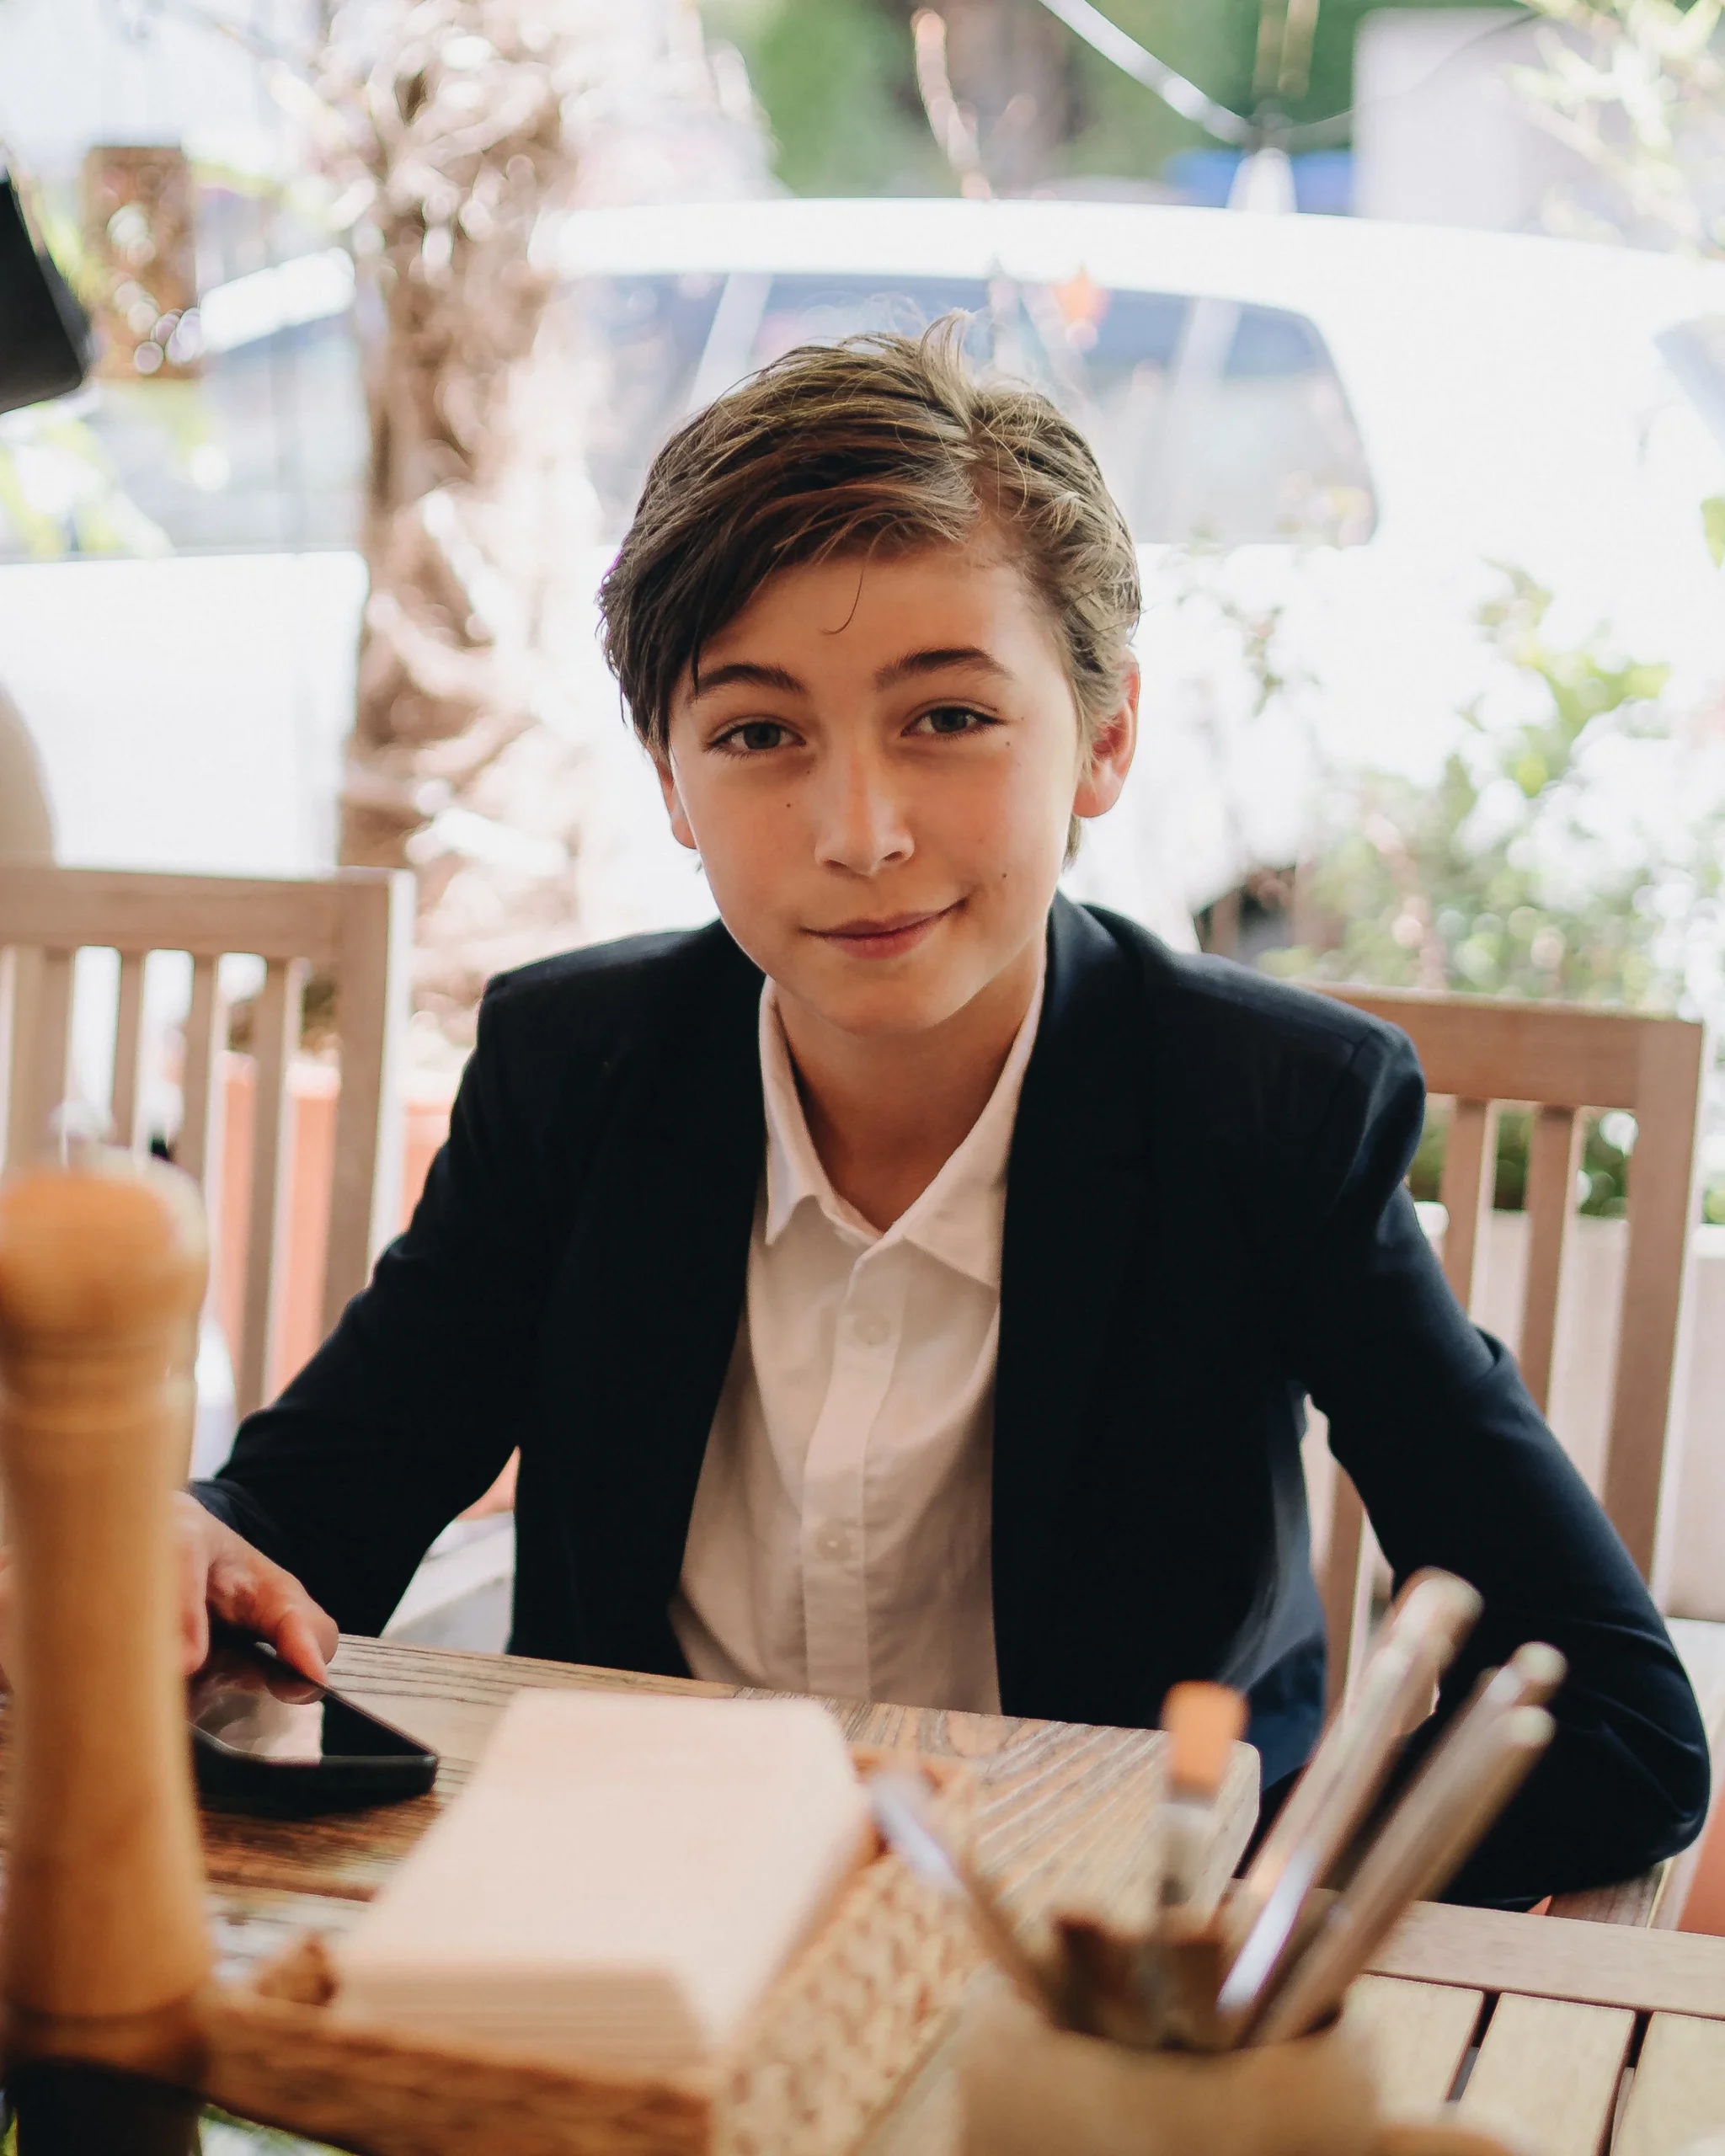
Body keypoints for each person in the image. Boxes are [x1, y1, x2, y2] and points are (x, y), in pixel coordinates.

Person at [183, 326, 1705, 1907]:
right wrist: (185, 1543)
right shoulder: (579, 1072)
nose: (861, 834)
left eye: (949, 718)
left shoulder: (1261, 1115)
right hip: (638, 1959)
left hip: (1084, 2017)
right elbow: (301, 1534)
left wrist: (1219, 1897)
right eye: (761, 733)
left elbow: (1618, 1724)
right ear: (671, 782)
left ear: (1102, 735)